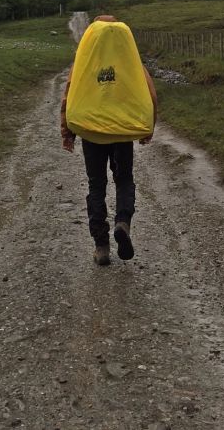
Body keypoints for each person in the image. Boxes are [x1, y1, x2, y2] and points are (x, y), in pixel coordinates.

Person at [60, 15, 158, 266]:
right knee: (124, 179)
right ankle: (122, 222)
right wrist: (148, 127)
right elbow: (149, 91)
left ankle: (101, 246)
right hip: (121, 133)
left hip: (92, 133)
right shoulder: (129, 62)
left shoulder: (86, 61)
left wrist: (67, 132)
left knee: (96, 185)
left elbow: (70, 93)